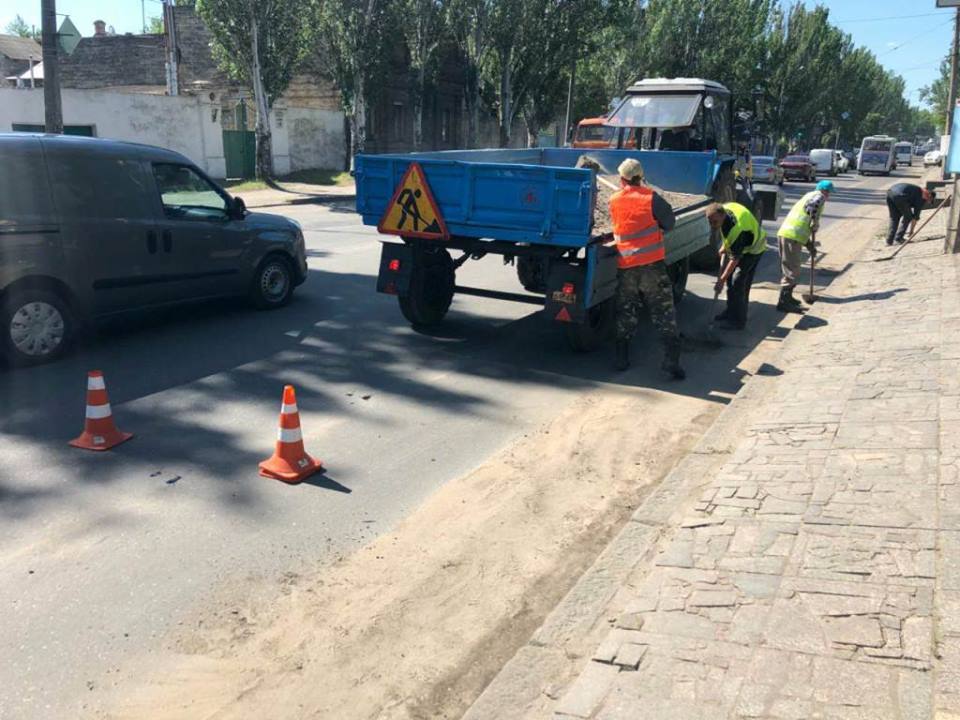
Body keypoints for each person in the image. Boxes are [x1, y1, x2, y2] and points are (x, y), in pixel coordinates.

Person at [607, 158, 684, 379]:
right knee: (664, 314)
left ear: (622, 179)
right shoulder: (651, 198)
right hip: (652, 267)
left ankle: (621, 358)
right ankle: (671, 362)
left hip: (626, 267)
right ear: (641, 176)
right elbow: (669, 223)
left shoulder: (614, 200)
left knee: (626, 312)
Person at [705, 202, 766, 330]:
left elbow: (734, 259)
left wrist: (720, 280)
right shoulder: (724, 209)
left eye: (715, 222)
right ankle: (730, 312)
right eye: (710, 222)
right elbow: (726, 233)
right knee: (730, 280)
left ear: (722, 216)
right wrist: (725, 246)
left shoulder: (738, 229)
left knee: (738, 281)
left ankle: (738, 321)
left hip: (754, 249)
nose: (712, 225)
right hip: (742, 245)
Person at [776, 179, 833, 312]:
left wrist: (810, 246)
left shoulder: (809, 195)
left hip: (791, 235)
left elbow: (802, 225)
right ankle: (784, 302)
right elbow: (811, 207)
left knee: (793, 268)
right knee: (792, 270)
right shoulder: (818, 196)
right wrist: (814, 221)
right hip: (791, 236)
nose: (828, 195)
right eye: (828, 192)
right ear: (823, 190)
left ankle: (788, 298)